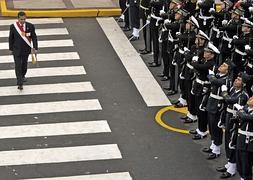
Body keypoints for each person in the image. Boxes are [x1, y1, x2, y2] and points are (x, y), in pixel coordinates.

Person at [9, 11, 38, 90]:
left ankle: (23, 76)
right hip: (16, 50)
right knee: (18, 65)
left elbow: (34, 37)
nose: (23, 21)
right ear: (18, 18)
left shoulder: (30, 26)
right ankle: (20, 82)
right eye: (21, 19)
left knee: (24, 65)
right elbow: (11, 38)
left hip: (26, 50)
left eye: (24, 19)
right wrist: (11, 49)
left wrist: (35, 48)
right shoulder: (13, 26)